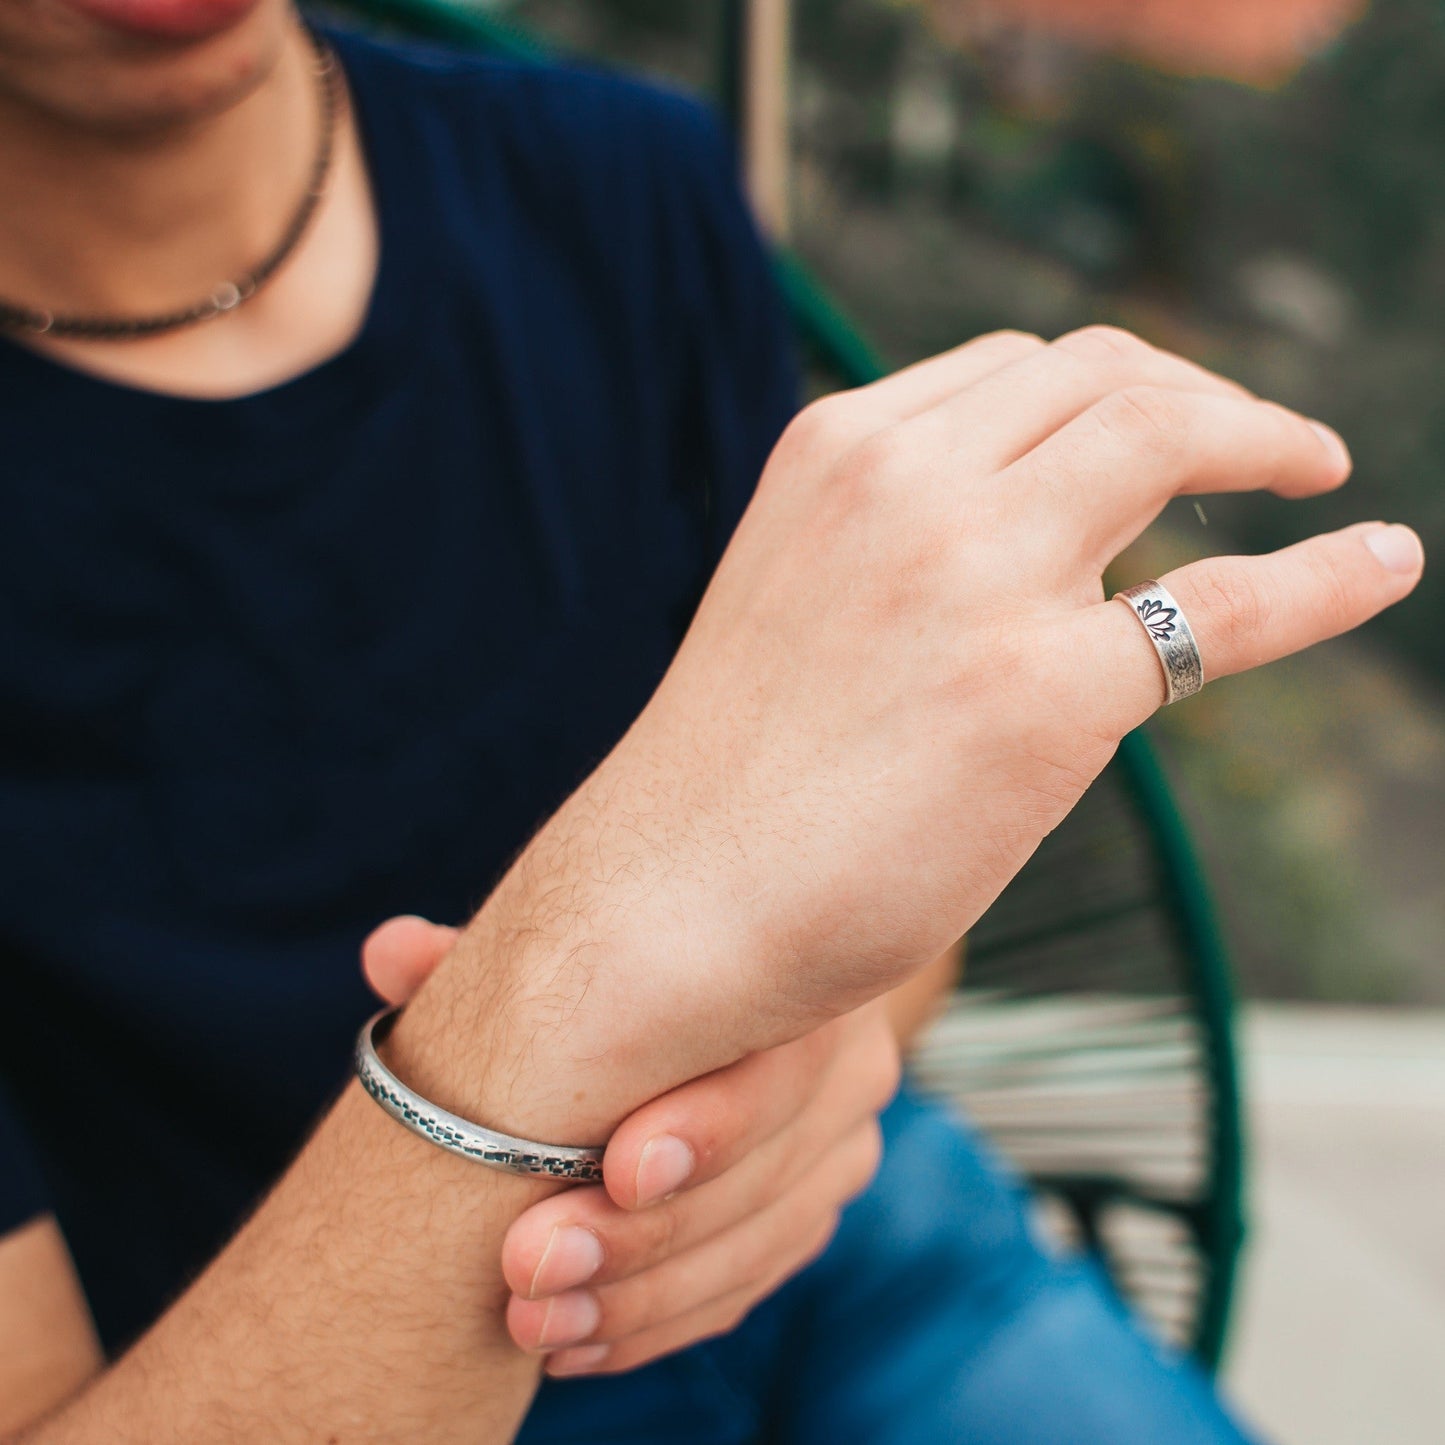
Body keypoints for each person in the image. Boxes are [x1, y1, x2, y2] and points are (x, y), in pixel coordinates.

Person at [0, 1, 1423, 1441]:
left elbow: (882, 845)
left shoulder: (617, 186)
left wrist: (822, 1070)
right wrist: (546, 1015)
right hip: (304, 1360)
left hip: (849, 1240)